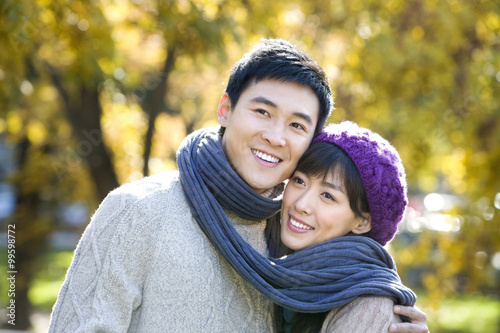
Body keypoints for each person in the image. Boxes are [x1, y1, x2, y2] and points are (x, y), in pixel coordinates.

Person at [49, 38, 427, 332]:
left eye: (296, 125)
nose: (276, 136)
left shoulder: (289, 246)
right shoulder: (138, 211)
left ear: (310, 141)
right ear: (225, 110)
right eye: (262, 111)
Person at [276, 121, 418, 332]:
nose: (301, 205)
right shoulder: (274, 263)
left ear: (363, 222)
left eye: (328, 195)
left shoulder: (371, 306)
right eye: (299, 181)